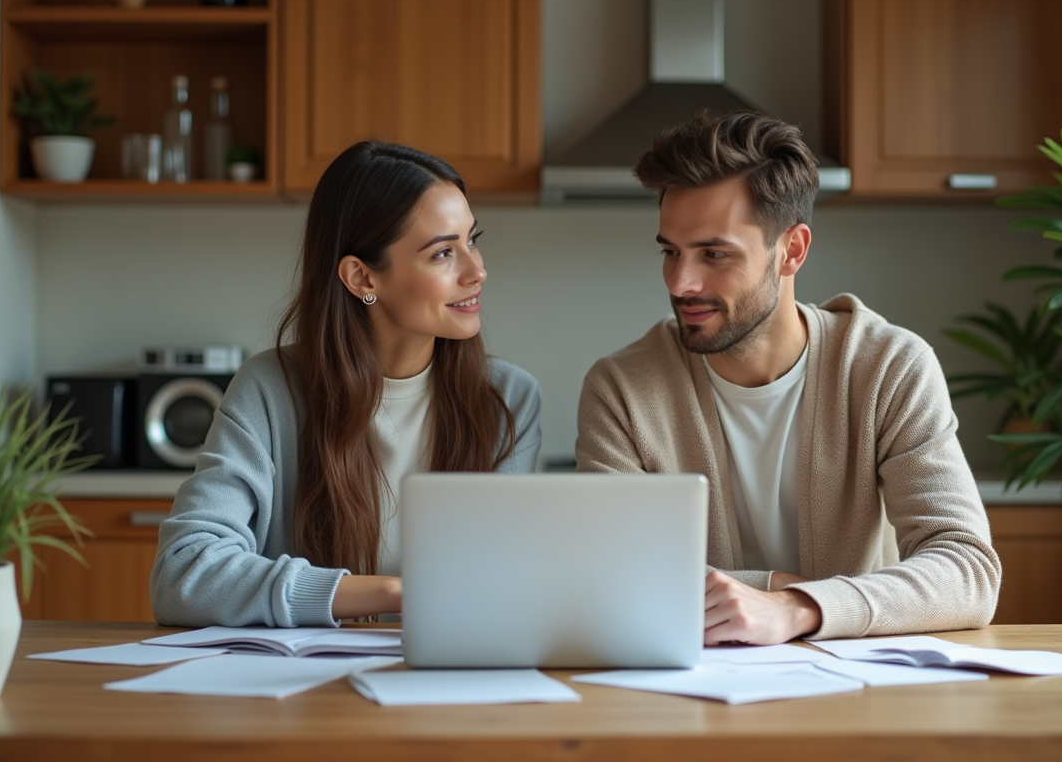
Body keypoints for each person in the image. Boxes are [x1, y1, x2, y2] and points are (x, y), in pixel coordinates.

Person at [575, 111, 1001, 645]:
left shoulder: (889, 367)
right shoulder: (621, 389)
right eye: (670, 252)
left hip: (862, 682)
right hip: (692, 681)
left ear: (791, 251)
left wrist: (797, 608)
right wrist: (775, 586)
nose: (681, 282)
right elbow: (606, 574)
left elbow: (967, 570)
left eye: (714, 254)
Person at [152, 140, 541, 627]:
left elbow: (505, 584)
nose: (477, 270)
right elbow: (182, 573)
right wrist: (390, 593)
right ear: (362, 278)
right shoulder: (271, 390)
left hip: (447, 669)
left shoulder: (507, 398)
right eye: (444, 253)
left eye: (472, 240)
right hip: (300, 674)